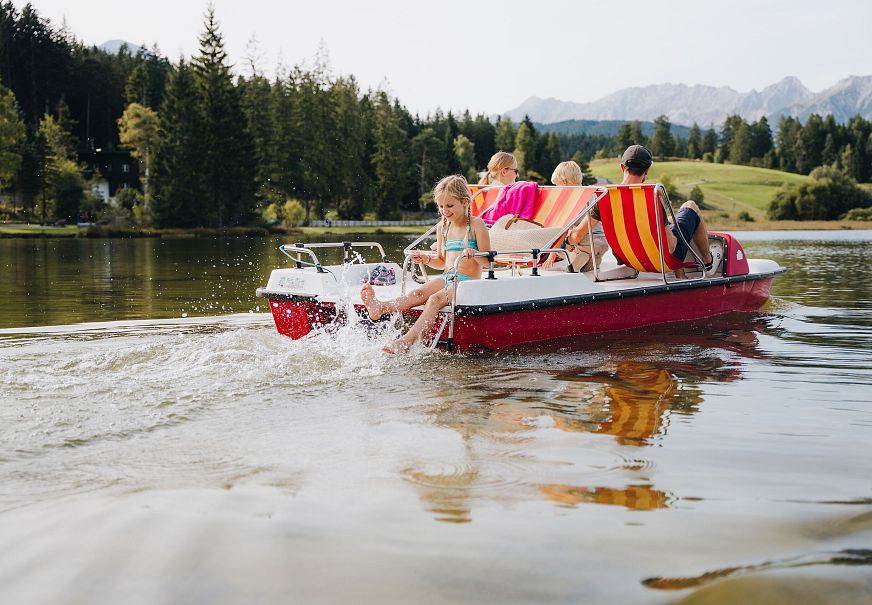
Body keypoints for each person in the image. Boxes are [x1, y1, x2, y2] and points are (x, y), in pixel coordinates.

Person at [361, 175, 491, 353]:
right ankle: (379, 308)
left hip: (467, 282)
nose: (445, 211)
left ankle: (407, 340)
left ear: (465, 202)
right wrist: (427, 259)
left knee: (434, 299)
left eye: (450, 206)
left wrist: (474, 254)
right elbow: (442, 262)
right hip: (448, 277)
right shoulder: (443, 227)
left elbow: (488, 262)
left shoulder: (476, 225)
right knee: (417, 292)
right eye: (441, 206)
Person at [565, 145, 719, 278]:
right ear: (647, 170)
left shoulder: (604, 196)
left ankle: (682, 275)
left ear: (622, 167)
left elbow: (578, 234)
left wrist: (567, 242)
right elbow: (670, 247)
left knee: (672, 221)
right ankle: (708, 262)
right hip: (661, 261)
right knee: (690, 206)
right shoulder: (650, 197)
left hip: (628, 259)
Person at [548, 160, 609, 271]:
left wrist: (552, 255)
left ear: (564, 182)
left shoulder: (572, 200)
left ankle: (581, 258)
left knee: (569, 269)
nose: (558, 190)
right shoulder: (590, 192)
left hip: (586, 243)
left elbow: (564, 230)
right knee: (586, 263)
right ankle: (593, 260)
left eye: (557, 185)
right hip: (602, 240)